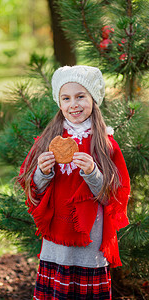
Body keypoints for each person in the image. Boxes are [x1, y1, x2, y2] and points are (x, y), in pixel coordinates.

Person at [18, 65, 130, 300]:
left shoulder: (105, 144)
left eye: (81, 96)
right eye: (66, 98)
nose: (74, 104)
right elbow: (33, 189)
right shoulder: (48, 141)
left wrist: (92, 172)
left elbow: (112, 196)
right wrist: (42, 172)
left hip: (90, 239)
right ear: (59, 103)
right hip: (56, 239)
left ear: (93, 99)